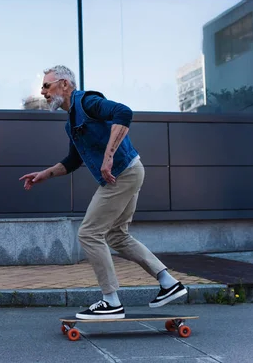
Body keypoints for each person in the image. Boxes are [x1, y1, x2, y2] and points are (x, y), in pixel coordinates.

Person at [19, 65, 187, 320]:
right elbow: (73, 161)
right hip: (129, 171)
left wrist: (108, 157)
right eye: (42, 87)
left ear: (64, 84)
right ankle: (169, 282)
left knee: (88, 233)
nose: (43, 91)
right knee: (117, 236)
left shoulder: (87, 102)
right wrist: (45, 174)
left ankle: (111, 301)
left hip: (122, 173)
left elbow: (123, 113)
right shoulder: (71, 123)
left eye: (47, 85)